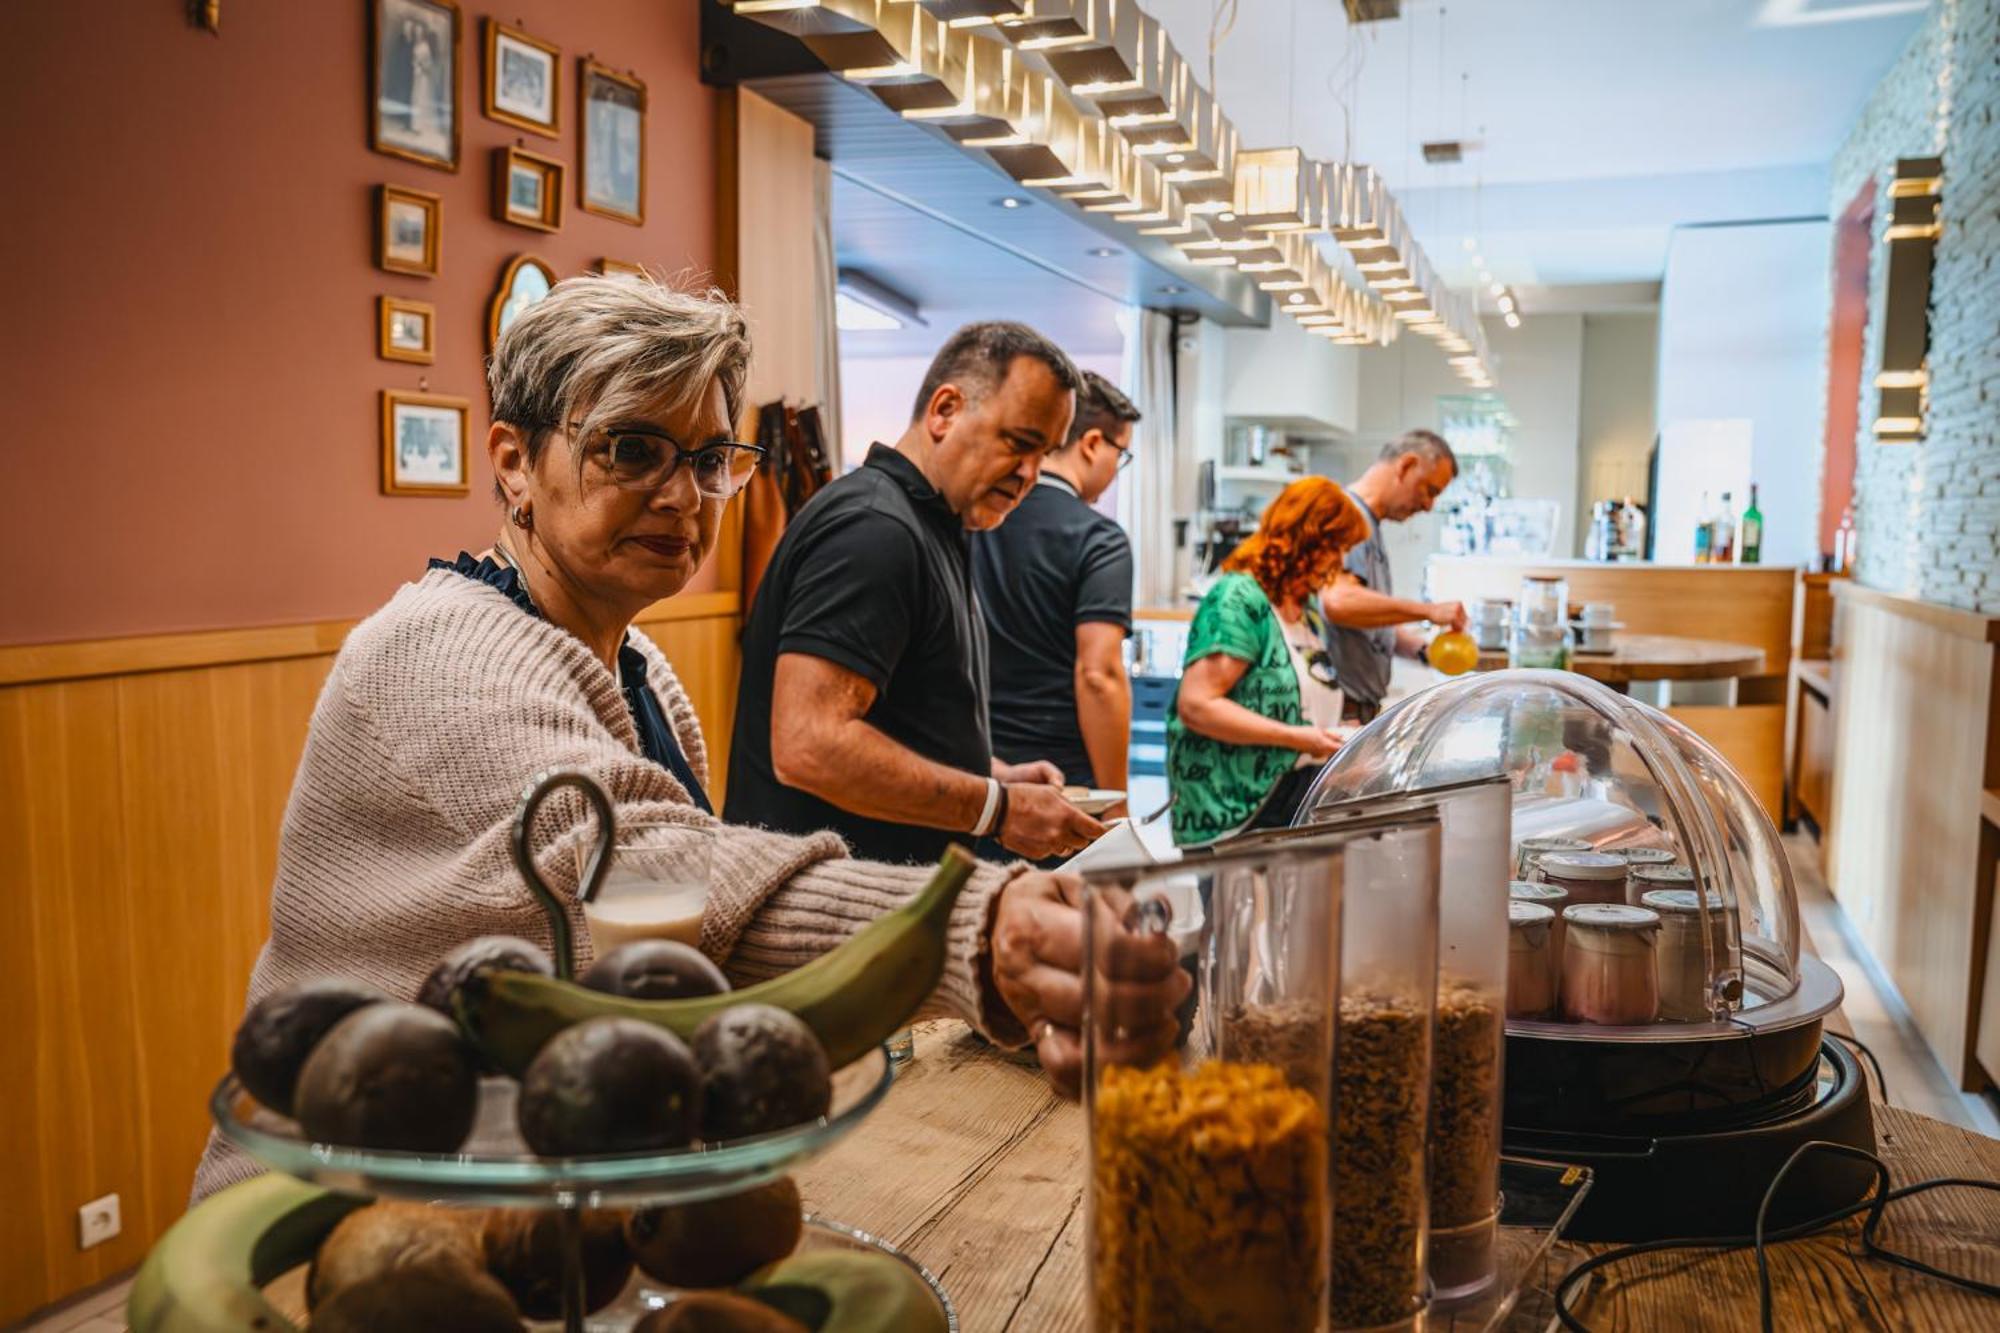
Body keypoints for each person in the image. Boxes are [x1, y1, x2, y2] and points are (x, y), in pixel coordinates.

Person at [193, 281, 1183, 1199]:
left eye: (706, 459)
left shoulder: (642, 667)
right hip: (329, 1208)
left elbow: (652, 952)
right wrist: (971, 923)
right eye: (630, 448)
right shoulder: (436, 649)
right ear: (512, 462)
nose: (679, 494)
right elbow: (637, 865)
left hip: (525, 1189)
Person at [726, 322, 1108, 866]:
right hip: (820, 916)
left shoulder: (932, 523)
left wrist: (995, 775)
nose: (1029, 473)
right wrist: (996, 808)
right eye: (1019, 443)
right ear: (945, 410)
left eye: (1043, 453)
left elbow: (896, 722)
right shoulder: (875, 528)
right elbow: (810, 744)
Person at [972, 370, 1142, 822]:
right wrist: (1116, 802)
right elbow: (1098, 674)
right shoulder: (1098, 539)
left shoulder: (975, 519)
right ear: (1090, 443)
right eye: (1120, 453)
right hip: (1060, 776)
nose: (1114, 470)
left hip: (975, 765)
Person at [1168, 477, 1370, 847]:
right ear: (1303, 539)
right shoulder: (1239, 599)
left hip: (1291, 800)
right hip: (1233, 811)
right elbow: (1197, 705)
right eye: (1335, 546)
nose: (1340, 561)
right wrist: (1298, 738)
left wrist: (1332, 730)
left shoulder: (1304, 608)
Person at [1320, 430, 1468, 723]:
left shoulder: (1369, 523)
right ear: (1406, 465)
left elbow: (1367, 622)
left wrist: (1423, 650)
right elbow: (1338, 602)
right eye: (1430, 490)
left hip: (1359, 711)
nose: (1428, 506)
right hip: (1340, 713)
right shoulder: (1347, 515)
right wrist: (1429, 611)